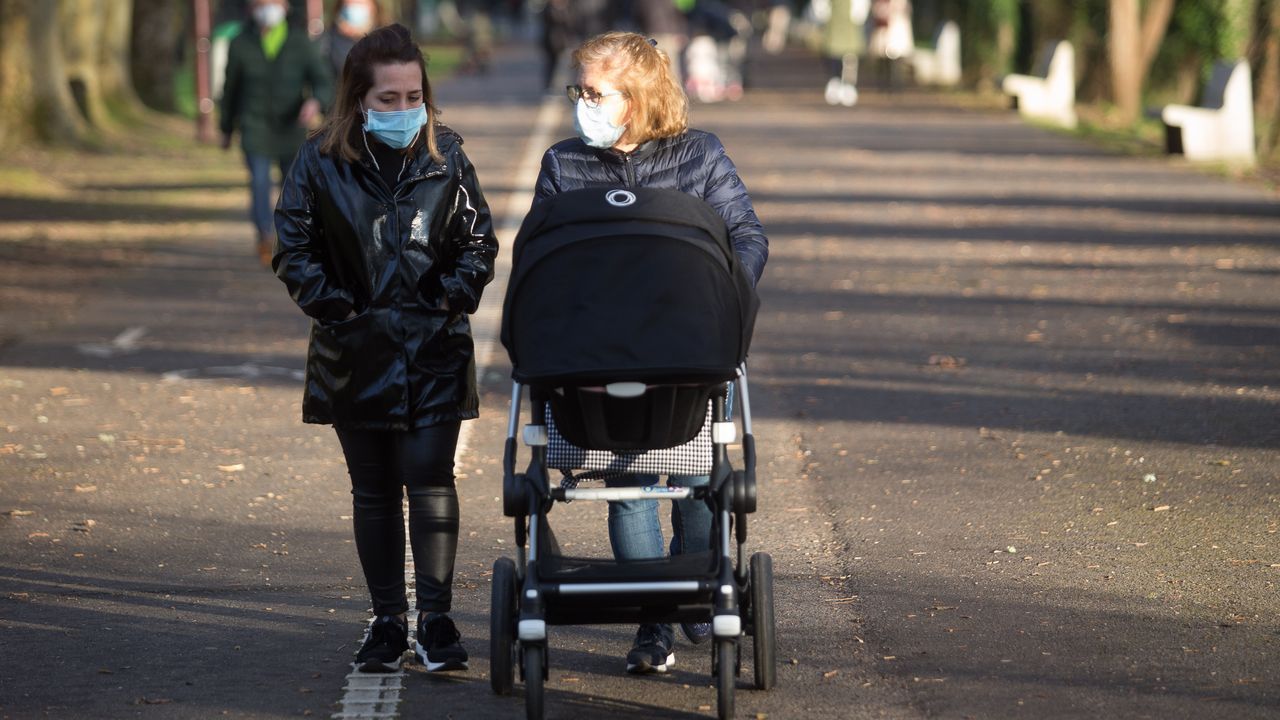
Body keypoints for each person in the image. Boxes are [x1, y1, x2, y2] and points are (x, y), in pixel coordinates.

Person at [531, 31, 768, 675]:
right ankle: (652, 620)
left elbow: (744, 232)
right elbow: (540, 253)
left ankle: (692, 590)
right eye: (579, 91)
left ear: (636, 98)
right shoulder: (564, 164)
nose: (583, 103)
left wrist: (725, 296)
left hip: (683, 346)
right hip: (602, 353)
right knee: (630, 488)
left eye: (595, 93)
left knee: (696, 488)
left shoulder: (700, 157)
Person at [273, 23, 498, 674]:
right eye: (388, 98)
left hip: (434, 346)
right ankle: (387, 620)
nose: (403, 110)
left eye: (412, 96)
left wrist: (450, 295)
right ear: (358, 99)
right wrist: (336, 308)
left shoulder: (446, 153)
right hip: (356, 349)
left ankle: (435, 620)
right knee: (372, 491)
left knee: (430, 481)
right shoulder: (320, 160)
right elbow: (294, 245)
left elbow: (479, 240)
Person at [220, 0, 334, 267]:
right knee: (259, 181)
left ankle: (290, 240)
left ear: (284, 6)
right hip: (254, 126)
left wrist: (315, 101)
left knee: (291, 188)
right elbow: (230, 90)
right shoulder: (240, 43)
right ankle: (264, 236)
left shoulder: (299, 42)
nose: (267, 7)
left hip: (291, 128)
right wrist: (226, 128)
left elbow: (322, 81)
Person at [813, 0, 869, 106]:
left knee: (850, 57)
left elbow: (861, 10)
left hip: (850, 24)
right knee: (832, 53)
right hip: (833, 23)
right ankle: (834, 79)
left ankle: (848, 83)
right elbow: (820, 7)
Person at [318, 0, 379, 81]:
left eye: (361, 1)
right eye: (352, 1)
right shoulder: (327, 39)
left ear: (373, 6)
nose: (356, 5)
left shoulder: (385, 39)